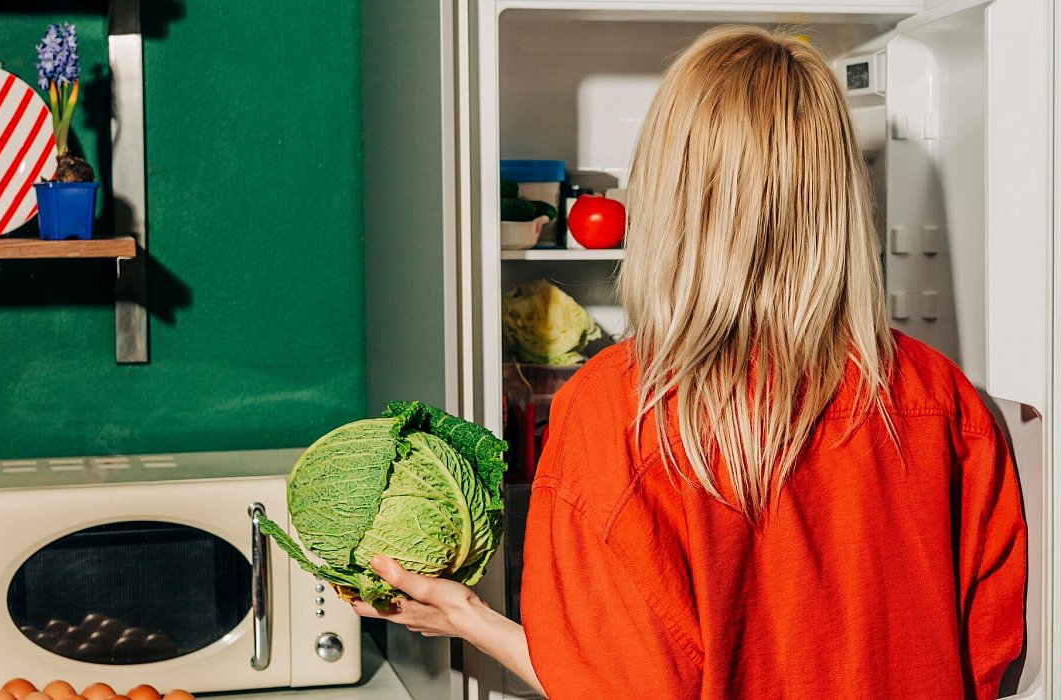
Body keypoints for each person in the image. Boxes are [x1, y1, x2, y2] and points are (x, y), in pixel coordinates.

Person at [352, 26, 1027, 700]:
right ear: (840, 196)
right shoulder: (945, 401)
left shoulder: (619, 413)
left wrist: (473, 620)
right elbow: (987, 660)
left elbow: (612, 688)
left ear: (668, 197)